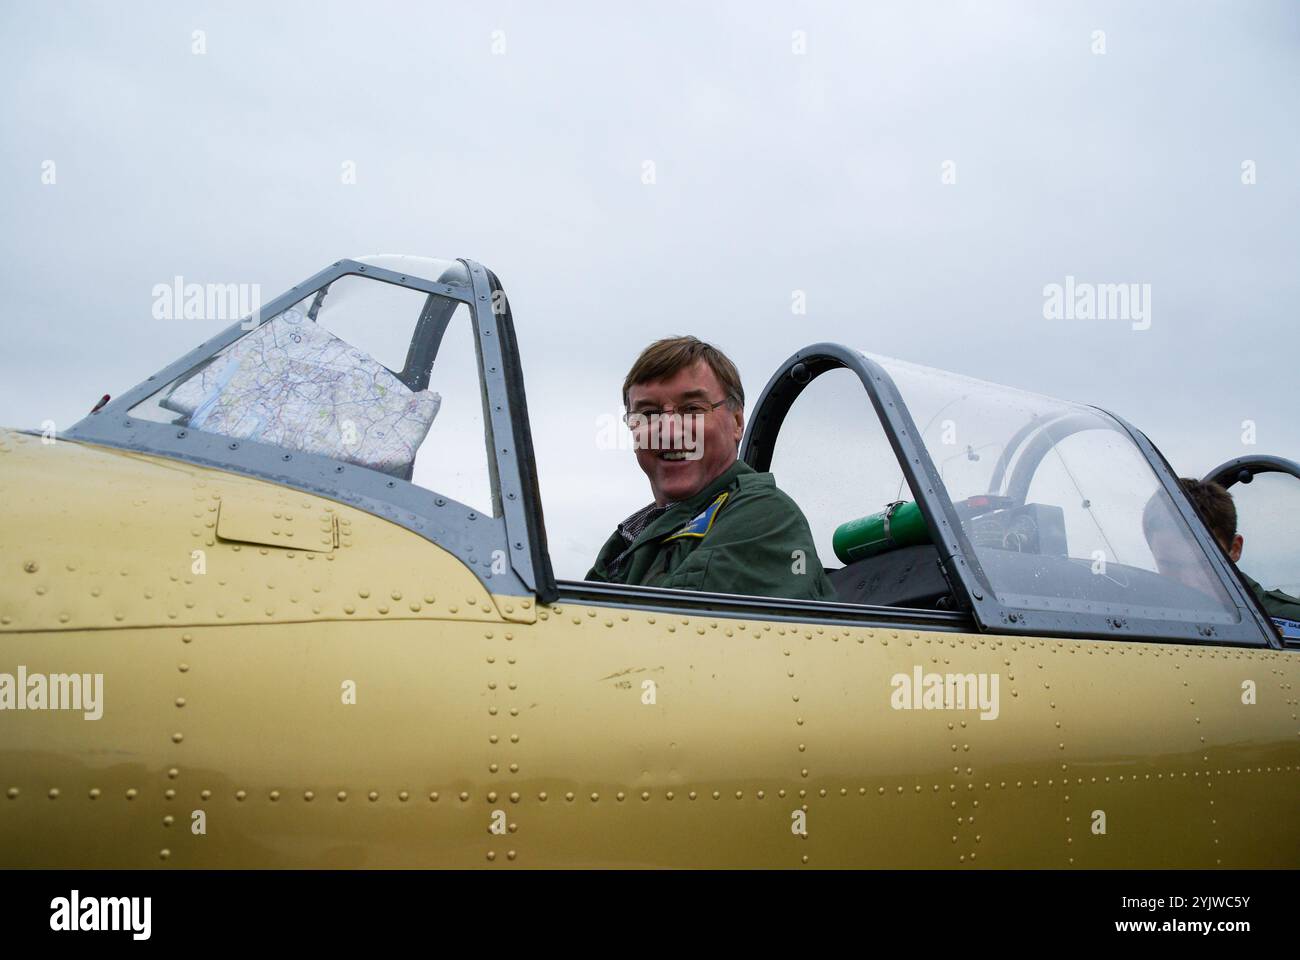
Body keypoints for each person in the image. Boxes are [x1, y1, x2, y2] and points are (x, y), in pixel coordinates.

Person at [587, 336, 836, 601]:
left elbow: (672, 630)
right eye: (649, 413)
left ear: (737, 422)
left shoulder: (766, 517)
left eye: (692, 409)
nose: (669, 430)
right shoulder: (624, 544)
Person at [1176, 477, 1300, 621]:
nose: (1187, 581)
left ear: (1234, 549)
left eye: (1202, 564)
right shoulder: (1153, 615)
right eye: (1171, 565)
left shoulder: (1290, 620)